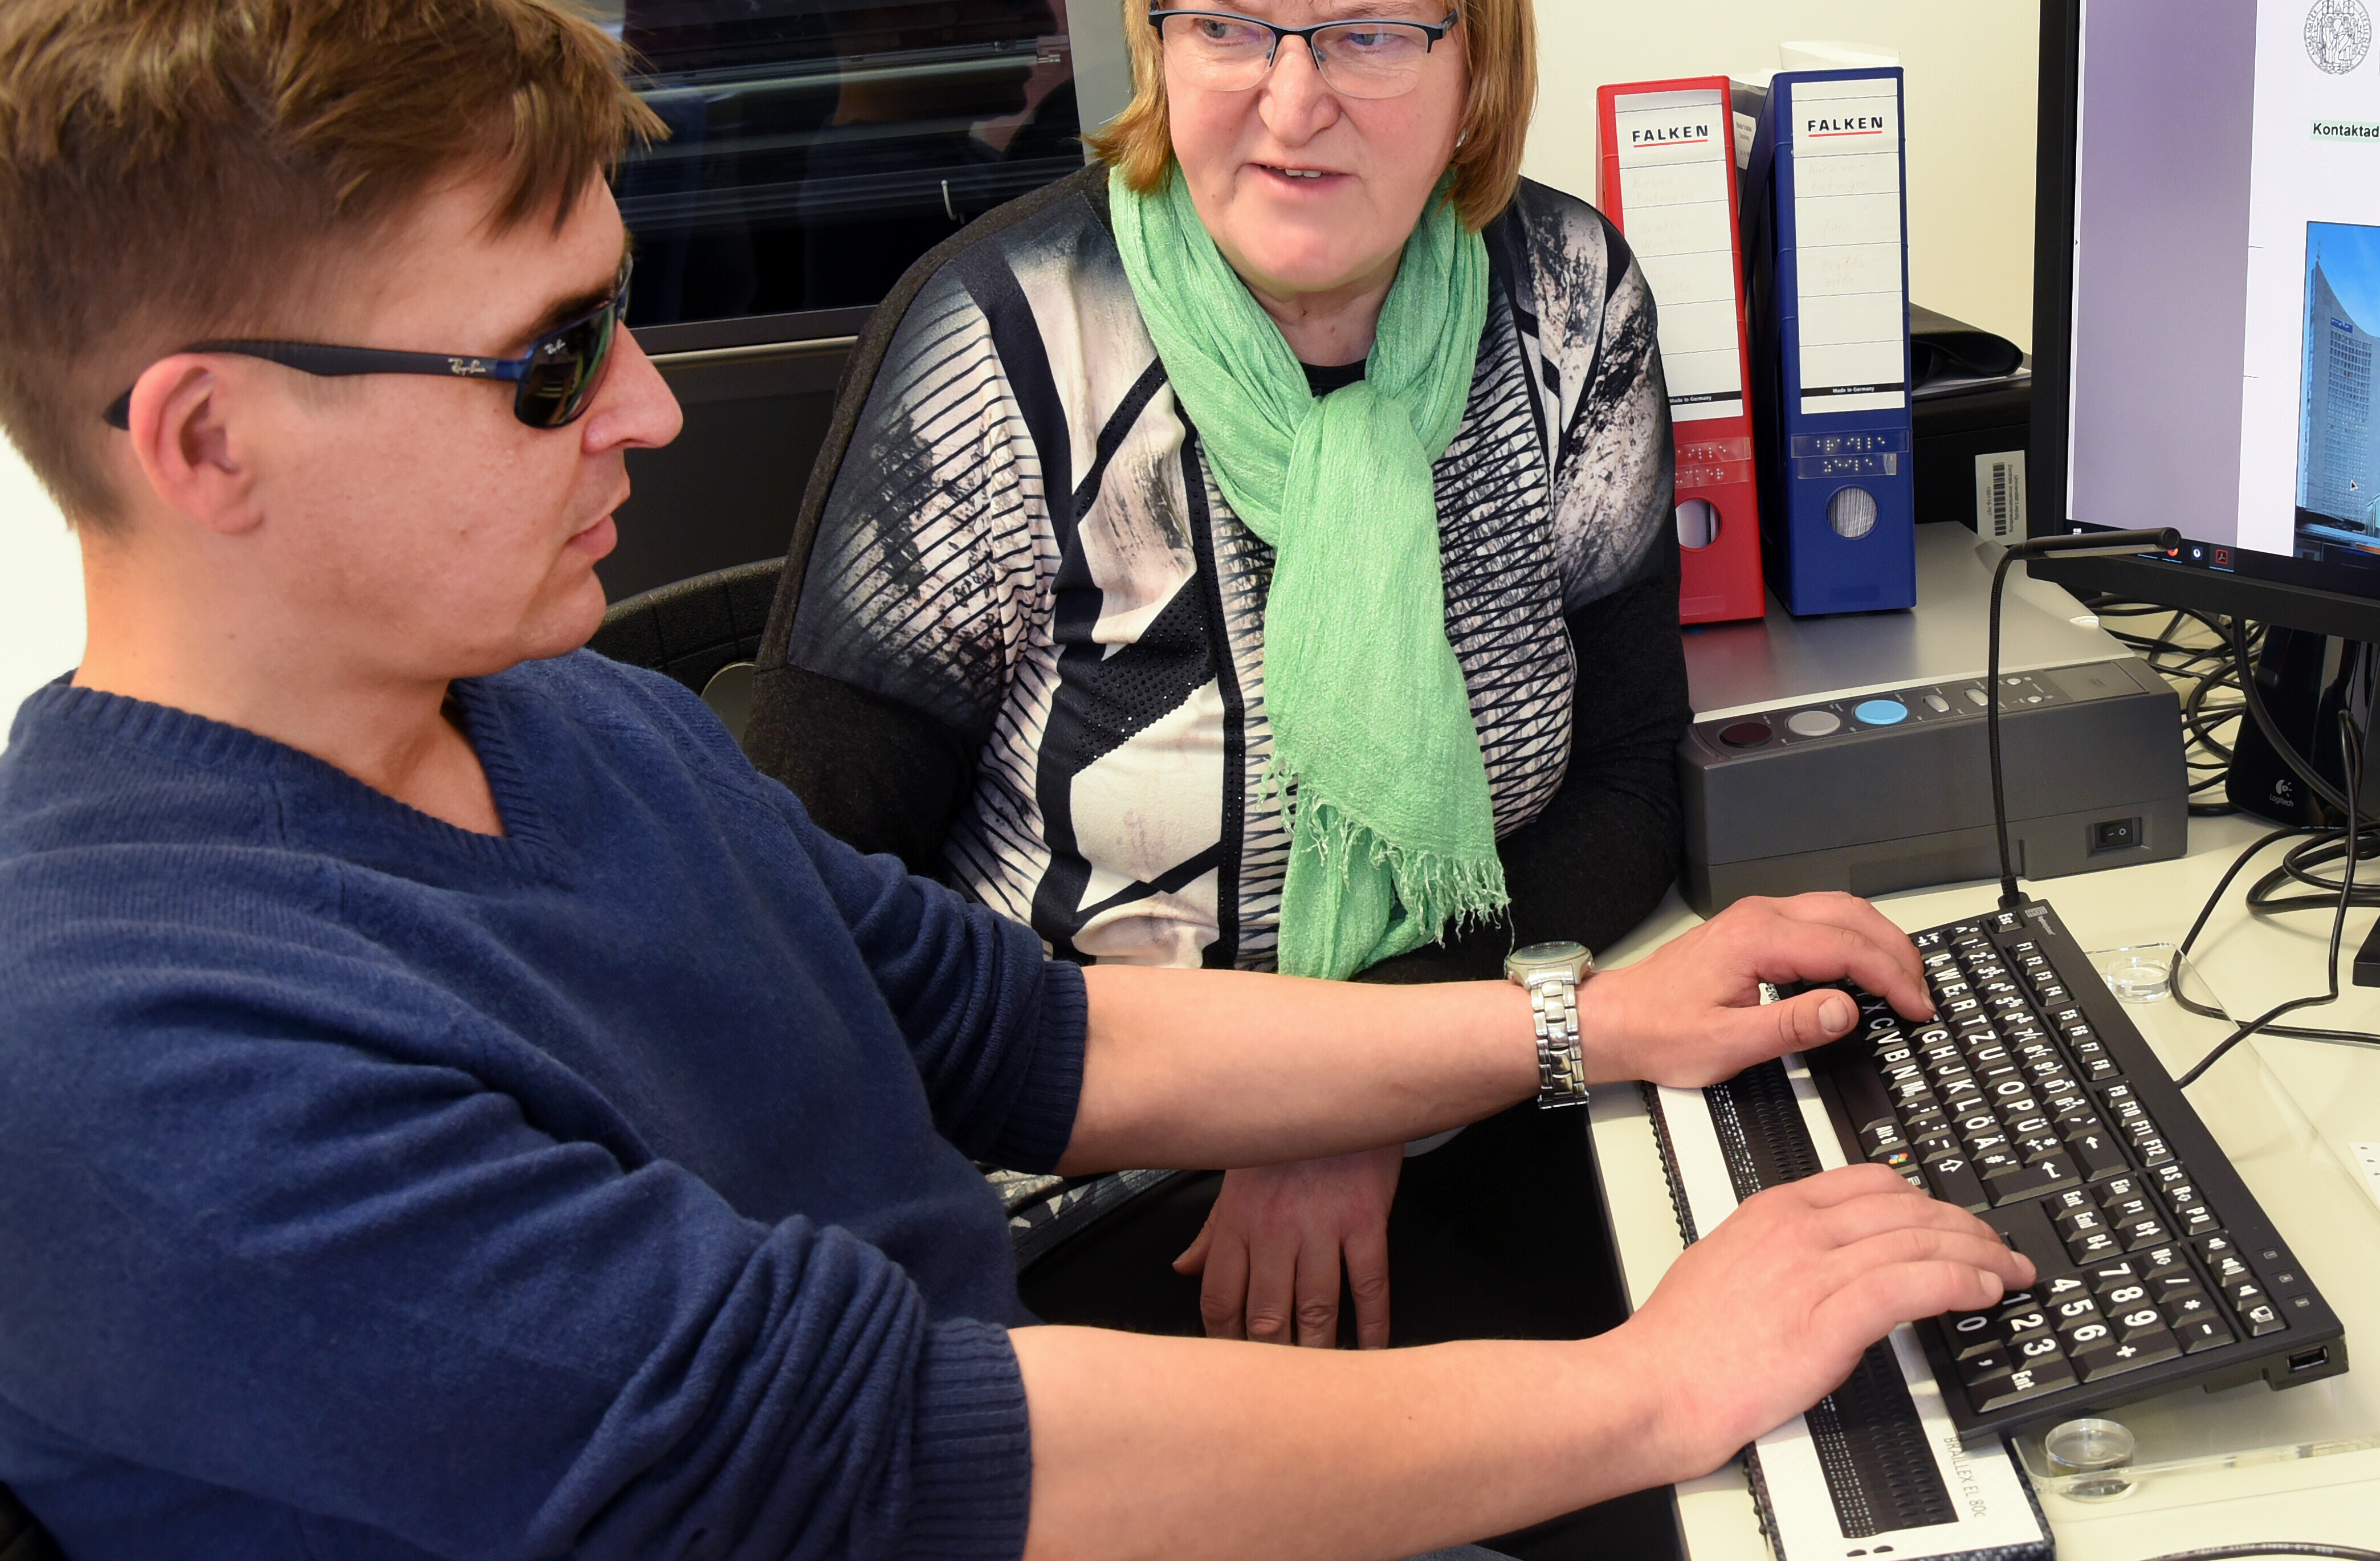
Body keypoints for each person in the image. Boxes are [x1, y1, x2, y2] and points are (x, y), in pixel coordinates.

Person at [0, 3, 2032, 1559]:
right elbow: (904, 1455)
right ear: (210, 444)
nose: (646, 405)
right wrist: (1645, 1395)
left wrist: (1582, 1020)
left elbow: (1036, 1033)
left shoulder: (565, 730)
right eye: (545, 361)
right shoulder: (135, 1059)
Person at [744, 0, 1689, 1352]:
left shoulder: (1566, 295)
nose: (1294, 103)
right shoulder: (1008, 334)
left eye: (1369, 34)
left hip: (1468, 1087)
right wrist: (1274, 1098)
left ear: (1476, 54)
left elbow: (1631, 770)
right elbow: (795, 917)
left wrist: (1353, 1088)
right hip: (1076, 1182)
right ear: (1155, 43)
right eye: (1234, 26)